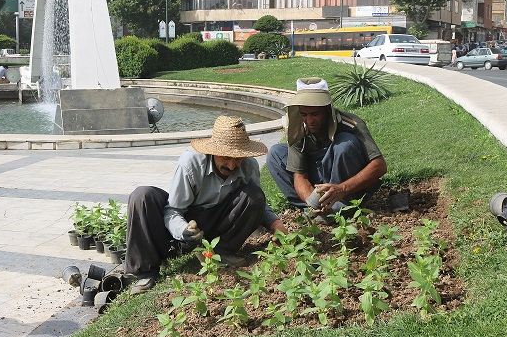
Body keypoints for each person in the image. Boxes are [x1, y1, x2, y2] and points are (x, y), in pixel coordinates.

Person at [124, 115, 287, 294]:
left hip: (217, 221)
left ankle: (222, 252)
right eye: (226, 158)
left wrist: (276, 224)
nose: (232, 165)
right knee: (142, 196)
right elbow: (173, 210)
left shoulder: (249, 166)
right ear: (214, 151)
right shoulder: (191, 163)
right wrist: (184, 231)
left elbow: (259, 205)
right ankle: (146, 271)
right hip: (187, 219)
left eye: (238, 158)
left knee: (255, 195)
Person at [266, 78, 387, 220]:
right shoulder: (299, 129)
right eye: (304, 114)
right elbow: (300, 175)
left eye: (315, 114)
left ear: (327, 110)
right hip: (318, 178)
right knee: (276, 153)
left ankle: (343, 204)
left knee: (345, 144)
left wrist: (342, 189)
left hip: (346, 184)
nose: (309, 121)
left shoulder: (350, 124)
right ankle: (312, 208)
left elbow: (379, 166)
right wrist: (311, 201)